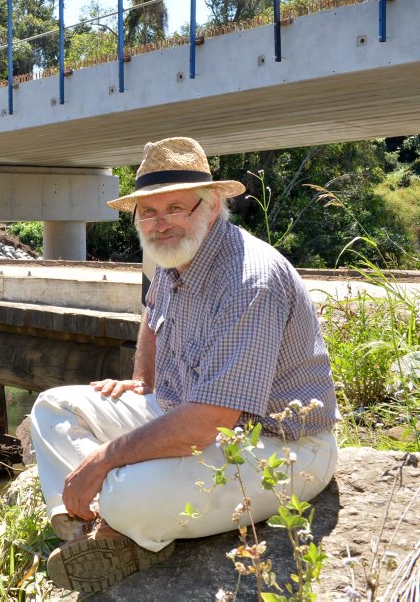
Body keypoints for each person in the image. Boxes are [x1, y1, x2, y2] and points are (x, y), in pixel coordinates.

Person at [30, 136, 339, 593]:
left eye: (177, 208)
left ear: (213, 204)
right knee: (53, 408)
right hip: (188, 413)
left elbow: (207, 425)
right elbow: (152, 317)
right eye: (149, 212)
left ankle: (116, 522)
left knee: (127, 487)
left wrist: (101, 462)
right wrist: (142, 382)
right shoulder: (173, 258)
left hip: (279, 447)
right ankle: (98, 524)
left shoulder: (247, 280)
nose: (161, 224)